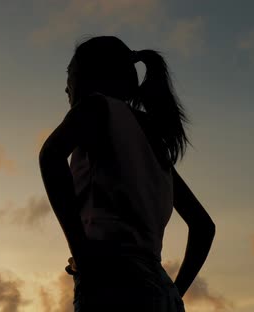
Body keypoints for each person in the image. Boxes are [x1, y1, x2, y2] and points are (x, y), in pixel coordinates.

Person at [38, 36, 216, 311]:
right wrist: (174, 293)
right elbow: (203, 226)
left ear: (92, 75)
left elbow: (50, 156)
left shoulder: (96, 107)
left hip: (113, 281)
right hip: (160, 289)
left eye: (69, 74)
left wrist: (81, 252)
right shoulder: (153, 139)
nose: (65, 87)